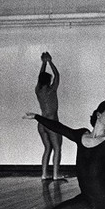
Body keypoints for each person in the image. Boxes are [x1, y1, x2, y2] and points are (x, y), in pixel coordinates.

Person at [36, 52, 64, 180]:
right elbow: (57, 75)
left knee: (47, 148)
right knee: (57, 148)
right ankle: (55, 174)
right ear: (49, 81)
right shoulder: (52, 90)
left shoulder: (38, 90)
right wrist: (50, 62)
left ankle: (44, 174)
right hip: (52, 122)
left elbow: (39, 77)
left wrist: (43, 63)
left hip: (41, 123)